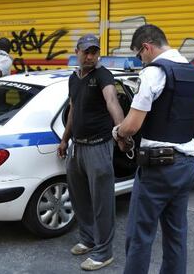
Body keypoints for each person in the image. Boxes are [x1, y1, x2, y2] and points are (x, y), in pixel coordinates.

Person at [113, 24, 194, 274]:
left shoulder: (154, 73)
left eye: (139, 54)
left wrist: (118, 133)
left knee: (139, 236)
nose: (140, 60)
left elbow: (131, 125)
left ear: (147, 47)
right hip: (187, 166)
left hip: (158, 169)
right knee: (176, 236)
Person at [56, 34, 125, 271]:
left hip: (98, 146)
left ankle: (103, 252)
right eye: (86, 51)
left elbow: (112, 101)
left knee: (102, 202)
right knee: (80, 198)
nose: (90, 56)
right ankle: (87, 239)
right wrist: (65, 139)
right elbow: (73, 109)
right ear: (77, 52)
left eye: (94, 52)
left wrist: (122, 132)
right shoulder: (73, 79)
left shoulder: (103, 75)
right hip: (77, 146)